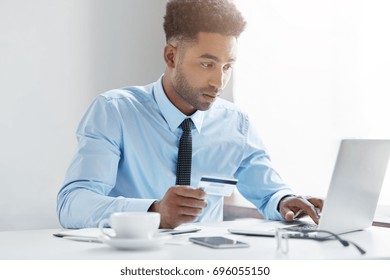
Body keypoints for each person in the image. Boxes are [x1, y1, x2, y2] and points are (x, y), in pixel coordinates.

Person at [57, 0, 323, 229]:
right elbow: (73, 204)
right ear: (171, 56)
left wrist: (286, 202)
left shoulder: (235, 124)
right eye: (207, 64)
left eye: (227, 66)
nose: (219, 82)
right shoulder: (115, 111)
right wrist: (154, 211)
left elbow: (270, 194)